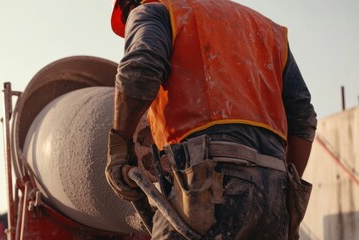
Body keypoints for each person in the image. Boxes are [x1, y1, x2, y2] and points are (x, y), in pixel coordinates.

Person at [105, 0, 317, 239]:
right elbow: (303, 117)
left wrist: (120, 146)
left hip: (206, 184)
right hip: (274, 194)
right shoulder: (268, 30)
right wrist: (284, 187)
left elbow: (139, 73)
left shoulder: (156, 10)